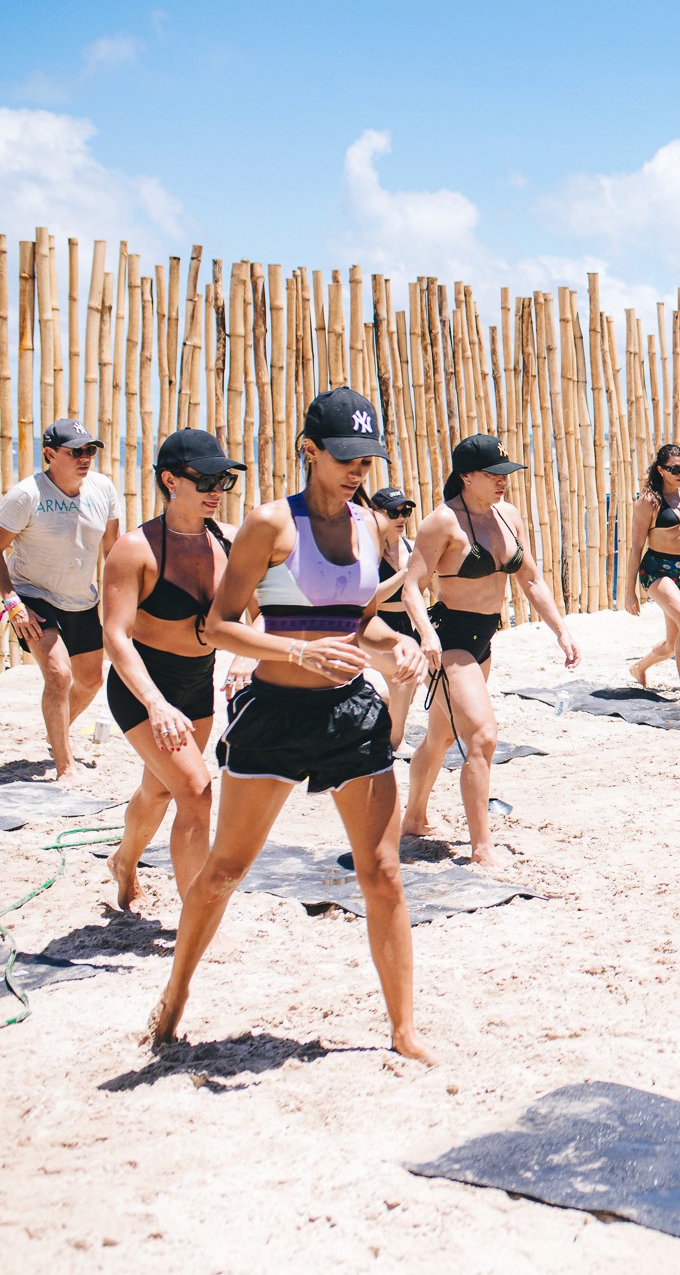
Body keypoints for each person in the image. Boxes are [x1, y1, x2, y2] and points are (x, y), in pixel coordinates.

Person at [148, 387, 431, 1061]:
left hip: (349, 714)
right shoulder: (271, 524)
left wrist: (399, 645)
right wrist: (295, 652)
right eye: (345, 457)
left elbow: (358, 624)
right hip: (274, 714)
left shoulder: (370, 528)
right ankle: (175, 995)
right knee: (225, 870)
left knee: (384, 873)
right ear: (309, 450)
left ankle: (404, 1032)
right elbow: (218, 626)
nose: (358, 470)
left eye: (366, 459)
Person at [401, 434, 579, 869]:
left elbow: (531, 579)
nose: (503, 481)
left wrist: (561, 630)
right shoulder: (442, 523)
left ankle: (414, 818)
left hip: (484, 641)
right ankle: (481, 848)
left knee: (441, 736)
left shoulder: (508, 515)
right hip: (451, 641)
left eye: (506, 474)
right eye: (493, 474)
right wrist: (425, 635)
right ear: (466, 476)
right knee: (481, 737)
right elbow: (411, 587)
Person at [99, 431, 244, 909]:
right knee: (197, 791)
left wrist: (246, 657)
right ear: (169, 480)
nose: (216, 490)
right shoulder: (135, 549)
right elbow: (115, 636)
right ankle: (196, 918)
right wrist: (155, 703)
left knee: (159, 790)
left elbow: (267, 610)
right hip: (143, 689)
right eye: (205, 480)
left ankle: (124, 861)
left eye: (223, 480)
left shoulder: (229, 541)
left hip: (197, 685)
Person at [0, 420, 121, 784]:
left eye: (90, 450)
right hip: (33, 596)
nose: (85, 458)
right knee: (58, 675)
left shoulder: (103, 488)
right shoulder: (25, 495)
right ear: (50, 454)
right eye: (76, 451)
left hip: (81, 599)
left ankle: (58, 734)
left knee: (91, 681)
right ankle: (65, 767)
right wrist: (11, 601)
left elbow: (114, 551)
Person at [626, 443, 680, 698]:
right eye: (674, 469)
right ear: (661, 470)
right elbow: (636, 547)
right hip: (656, 570)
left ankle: (639, 667)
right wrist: (629, 591)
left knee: (673, 643)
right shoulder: (648, 502)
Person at [366, 486, 429, 751]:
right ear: (376, 514)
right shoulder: (368, 550)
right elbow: (371, 599)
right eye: (393, 512)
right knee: (404, 677)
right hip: (374, 625)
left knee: (408, 690)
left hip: (406, 626)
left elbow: (423, 590)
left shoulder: (411, 547)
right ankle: (396, 743)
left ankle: (380, 713)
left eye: (405, 511)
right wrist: (405, 572)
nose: (401, 517)